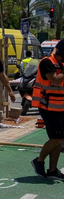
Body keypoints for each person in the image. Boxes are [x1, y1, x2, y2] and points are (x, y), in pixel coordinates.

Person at [31, 40, 64, 179]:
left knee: (58, 139)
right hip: (48, 107)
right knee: (57, 138)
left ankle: (52, 170)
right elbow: (55, 80)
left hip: (60, 107)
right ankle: (39, 161)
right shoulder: (46, 62)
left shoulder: (61, 65)